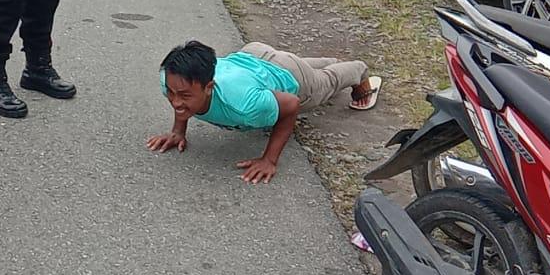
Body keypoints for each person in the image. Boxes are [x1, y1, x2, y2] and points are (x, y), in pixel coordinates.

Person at [150, 41, 382, 184]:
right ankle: (327, 62)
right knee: (296, 66)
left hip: (286, 73)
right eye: (171, 92)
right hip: (252, 56)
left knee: (325, 84)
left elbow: (290, 104)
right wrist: (178, 131)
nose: (175, 101)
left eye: (185, 96)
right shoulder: (171, 79)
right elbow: (179, 98)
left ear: (209, 87)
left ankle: (359, 70)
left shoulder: (243, 104)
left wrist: (269, 160)